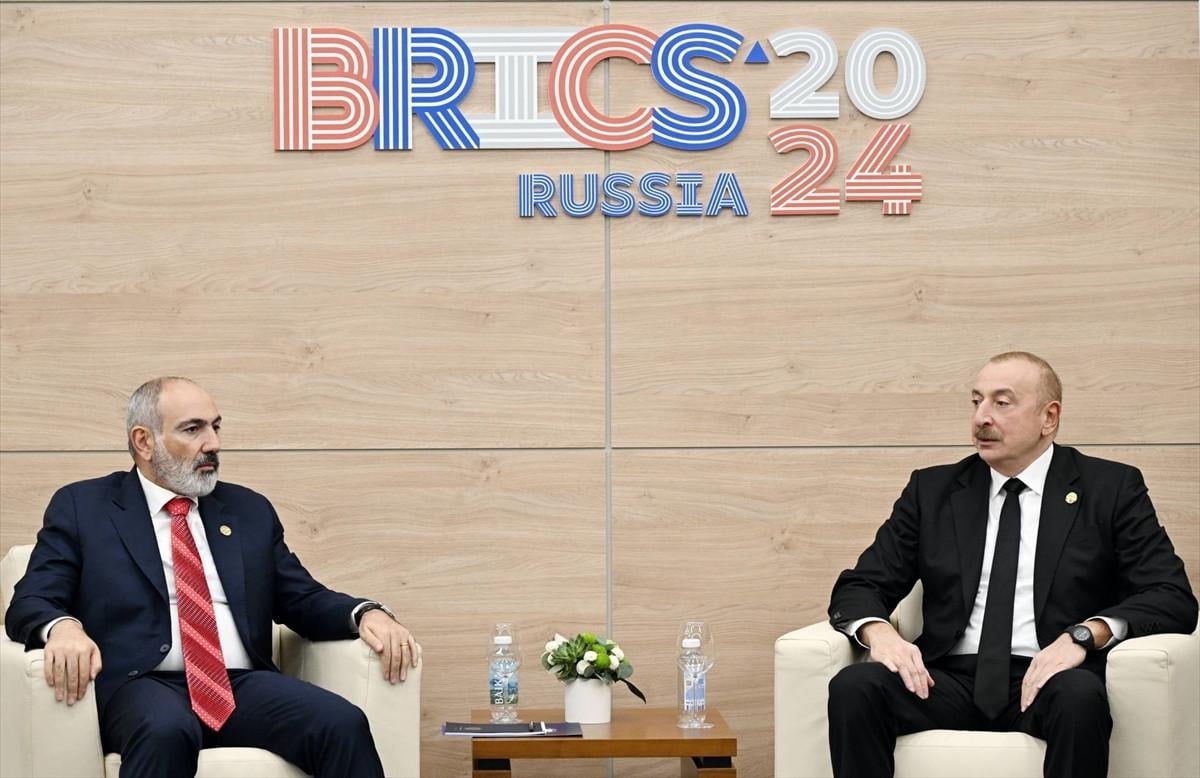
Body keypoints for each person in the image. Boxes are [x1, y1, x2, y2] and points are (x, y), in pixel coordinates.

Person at [5, 377, 420, 778]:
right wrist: (63, 627)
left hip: (239, 685)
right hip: (140, 685)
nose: (213, 443)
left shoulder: (248, 510)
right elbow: (31, 600)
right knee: (166, 730)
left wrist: (365, 613)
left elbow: (301, 597)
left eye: (215, 427)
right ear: (144, 441)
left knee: (342, 723)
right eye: (193, 429)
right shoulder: (84, 507)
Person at [826, 351, 1197, 778]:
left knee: (1079, 697)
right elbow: (861, 585)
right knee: (855, 686)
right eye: (976, 401)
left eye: (1002, 403)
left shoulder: (1109, 488)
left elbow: (1171, 597)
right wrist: (880, 634)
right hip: (945, 679)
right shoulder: (932, 491)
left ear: (1049, 418)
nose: (981, 418)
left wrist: (1083, 635)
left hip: (1050, 676)